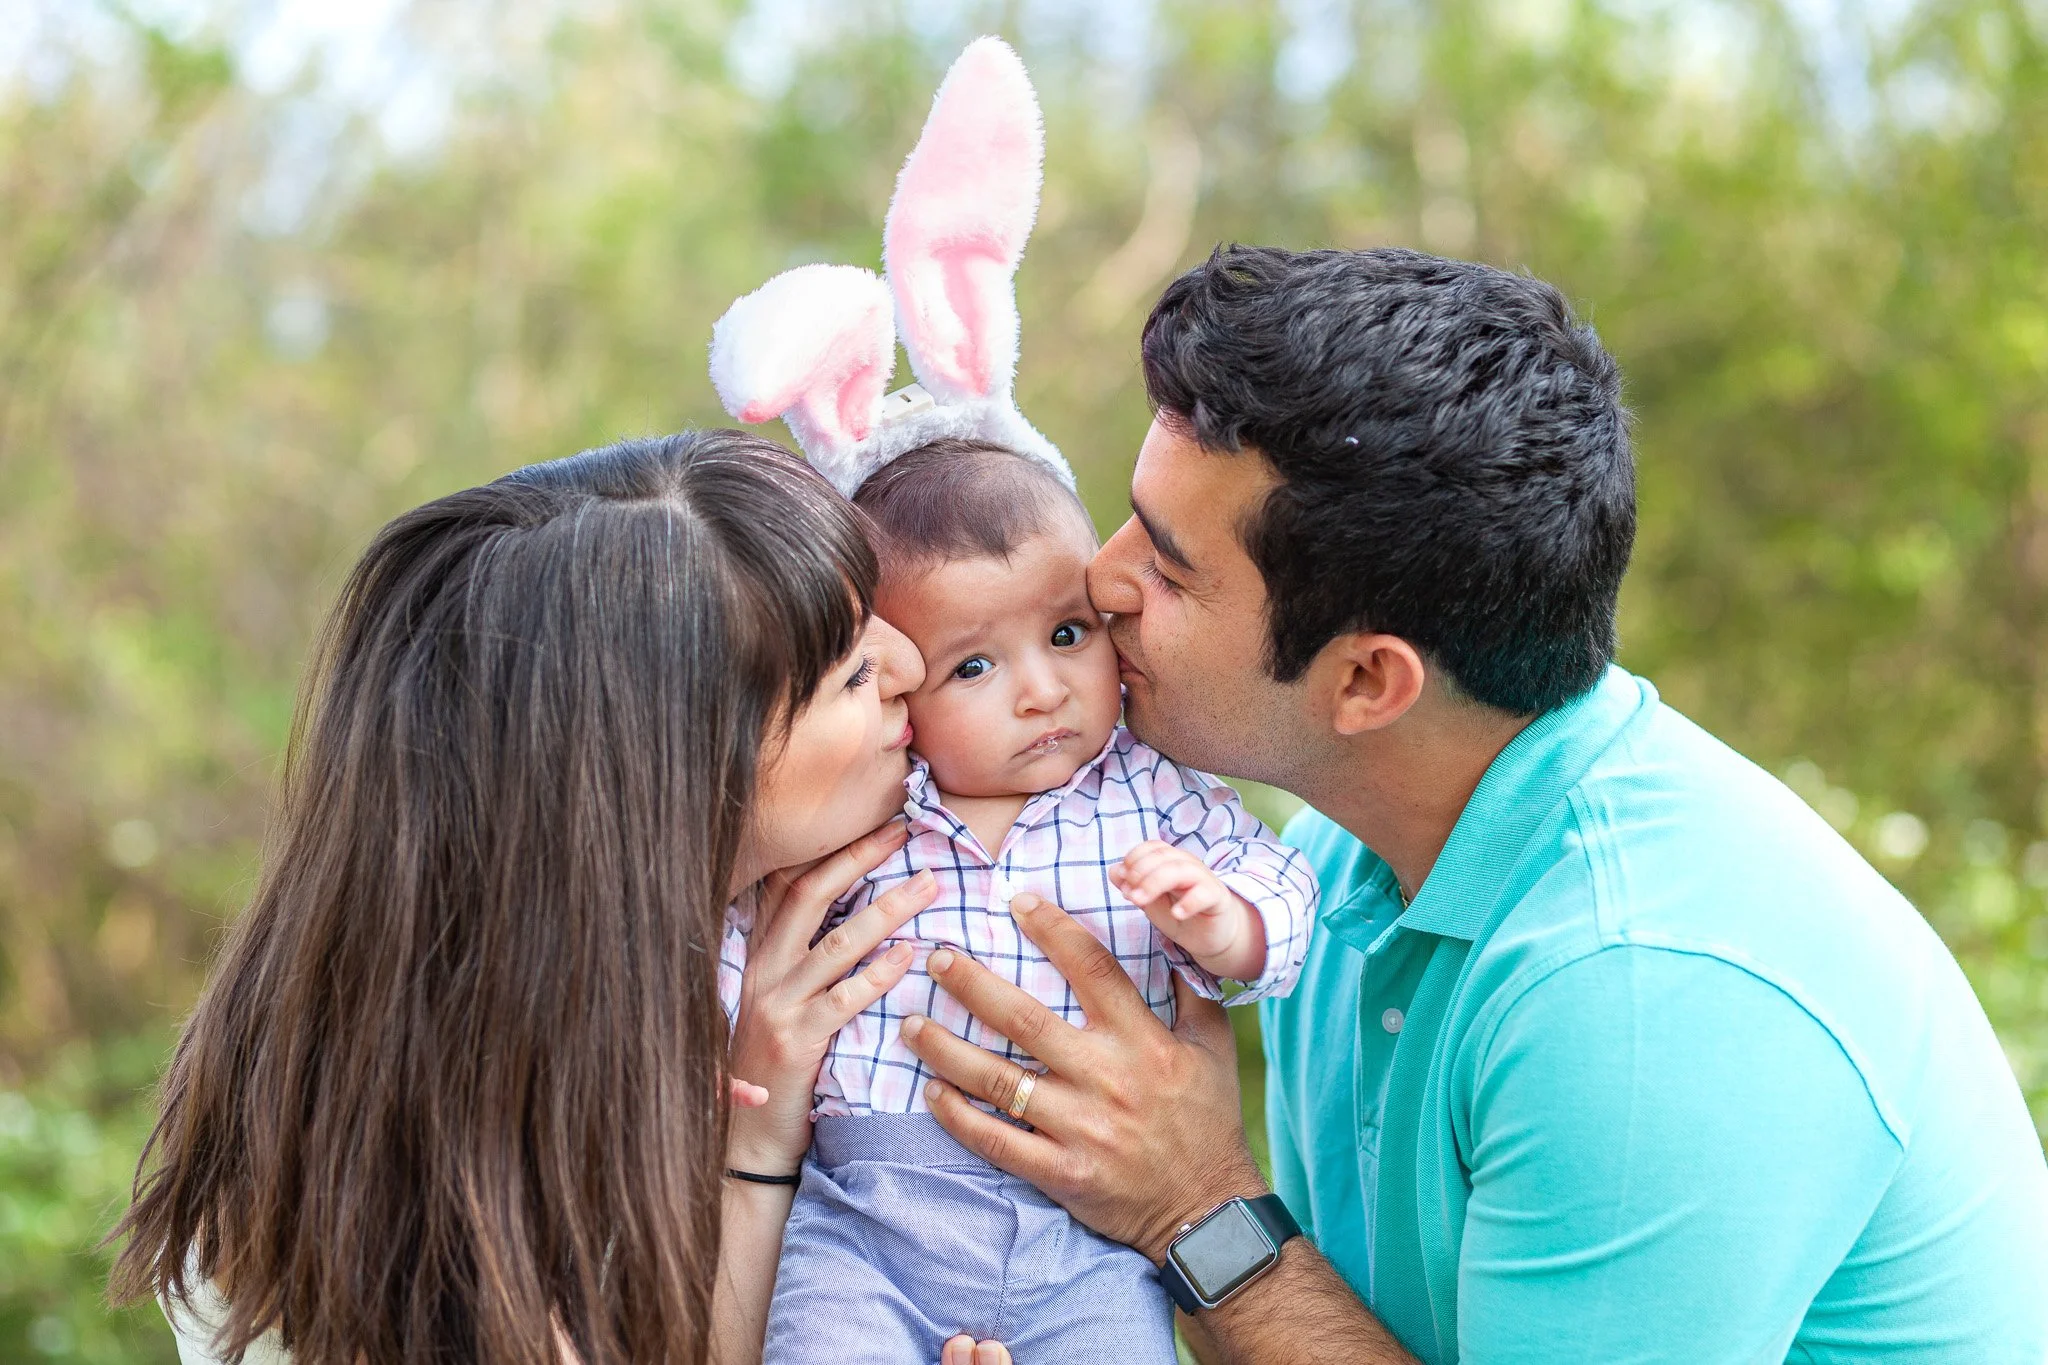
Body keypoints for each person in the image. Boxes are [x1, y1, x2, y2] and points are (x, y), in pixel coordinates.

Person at [896, 245, 2048, 1362]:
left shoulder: (1640, 990)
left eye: (1167, 564)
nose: (1100, 583)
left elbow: (1225, 1246)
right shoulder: (1337, 861)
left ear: (1365, 681)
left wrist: (1195, 1207)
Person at [109, 431, 1010, 1365]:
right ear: (672, 776)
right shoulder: (382, 1186)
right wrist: (754, 1148)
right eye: (854, 672)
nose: (912, 661)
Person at [727, 438, 1314, 1364]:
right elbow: (749, 949)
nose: (1043, 692)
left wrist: (1225, 921)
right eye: (973, 668)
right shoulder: (870, 806)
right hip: (870, 1220)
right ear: (898, 681)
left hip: (1094, 1237)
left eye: (1068, 635)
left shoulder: (1151, 790)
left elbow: (1276, 876)